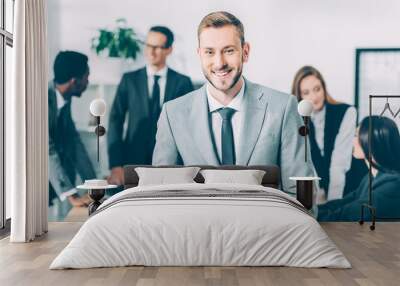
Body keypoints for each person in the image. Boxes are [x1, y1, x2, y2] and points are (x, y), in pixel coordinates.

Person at [152, 11, 315, 193]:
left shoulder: (282, 108)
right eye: (209, 52)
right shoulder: (172, 114)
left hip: (265, 221)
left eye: (228, 51)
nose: (219, 62)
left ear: (245, 52)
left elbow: (301, 194)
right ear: (200, 55)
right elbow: (161, 194)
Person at [108, 26, 194, 185]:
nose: (151, 51)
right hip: (132, 161)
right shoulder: (129, 80)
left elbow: (190, 127)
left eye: (157, 47)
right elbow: (115, 121)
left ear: (169, 49)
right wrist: (115, 165)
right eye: (148, 45)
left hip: (171, 164)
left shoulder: (182, 83)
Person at [291, 66, 357, 201]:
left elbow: (339, 163)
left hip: (348, 190)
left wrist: (331, 204)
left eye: (317, 89)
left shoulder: (347, 112)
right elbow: (304, 164)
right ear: (299, 96)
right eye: (306, 92)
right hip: (319, 195)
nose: (314, 97)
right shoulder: (297, 120)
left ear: (324, 88)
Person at [318, 116, 400, 221]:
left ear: (370, 142)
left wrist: (310, 215)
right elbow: (344, 202)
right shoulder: (371, 176)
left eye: (356, 135)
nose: (352, 140)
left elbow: (344, 216)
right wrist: (309, 210)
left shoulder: (392, 185)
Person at [48, 51, 96, 207]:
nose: (88, 82)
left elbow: (74, 143)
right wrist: (72, 195)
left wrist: (94, 185)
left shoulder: (64, 99)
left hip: (54, 184)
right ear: (74, 81)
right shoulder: (42, 99)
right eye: (86, 77)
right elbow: (46, 150)